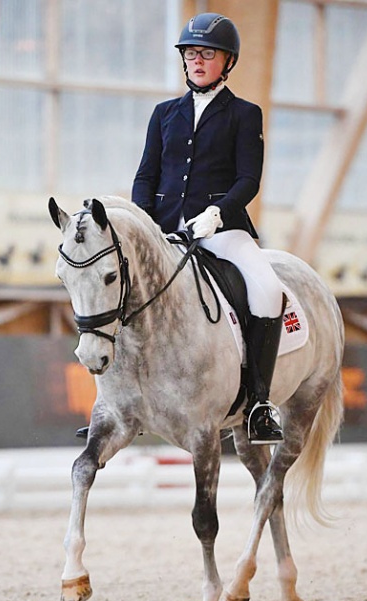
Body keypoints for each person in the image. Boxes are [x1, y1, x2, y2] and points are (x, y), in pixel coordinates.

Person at [131, 13, 285, 444]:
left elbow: (248, 179)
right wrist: (145, 221)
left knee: (268, 291)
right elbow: (146, 175)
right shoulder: (164, 114)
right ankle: (121, 399)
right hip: (166, 232)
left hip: (222, 231)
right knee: (119, 286)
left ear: (227, 61)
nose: (197, 60)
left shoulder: (244, 114)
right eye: (191, 53)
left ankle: (258, 403)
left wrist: (218, 211)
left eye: (207, 54)